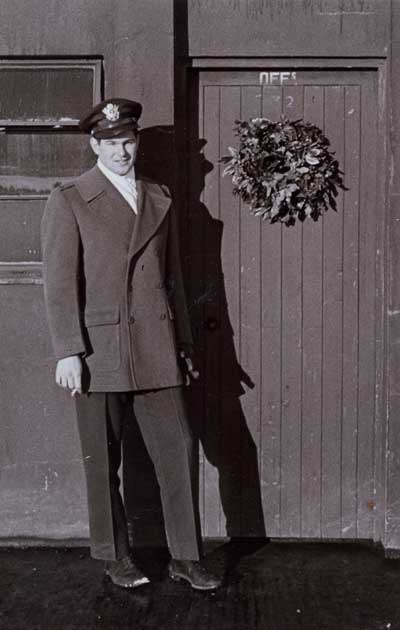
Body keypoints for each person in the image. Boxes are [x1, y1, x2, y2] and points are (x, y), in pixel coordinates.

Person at [41, 98, 221, 591]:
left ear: (136, 142)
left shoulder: (158, 196)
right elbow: (60, 283)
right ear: (94, 145)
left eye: (128, 141)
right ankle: (115, 556)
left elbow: (173, 278)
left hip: (157, 345)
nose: (122, 151)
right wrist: (68, 351)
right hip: (99, 352)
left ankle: (186, 557)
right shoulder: (71, 199)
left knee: (178, 451)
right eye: (111, 143)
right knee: (102, 460)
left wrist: (182, 343)